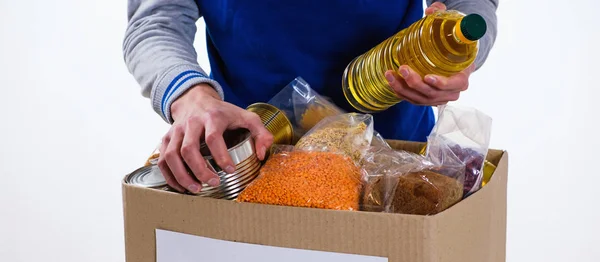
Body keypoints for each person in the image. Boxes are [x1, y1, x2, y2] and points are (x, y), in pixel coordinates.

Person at [124, 0, 498, 193]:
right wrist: (192, 98)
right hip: (246, 161)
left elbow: (468, 3)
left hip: (390, 167)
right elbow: (155, 22)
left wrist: (460, 53)